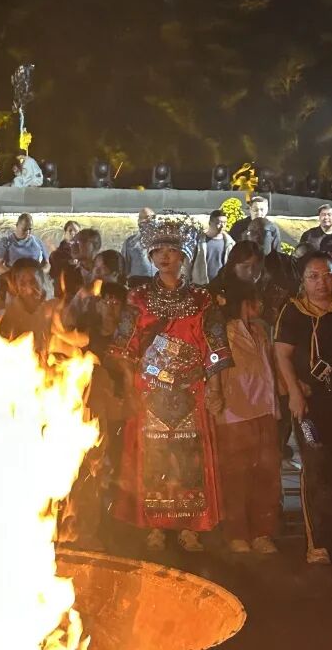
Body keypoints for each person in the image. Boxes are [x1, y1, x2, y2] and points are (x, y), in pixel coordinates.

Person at [110, 213, 230, 553]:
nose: (165, 257)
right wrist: (126, 388)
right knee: (153, 457)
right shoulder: (137, 299)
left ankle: (190, 526)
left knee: (189, 459)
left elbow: (216, 347)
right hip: (148, 392)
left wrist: (216, 390)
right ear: (150, 257)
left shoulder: (202, 300)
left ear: (184, 257)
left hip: (192, 390)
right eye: (158, 251)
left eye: (172, 251)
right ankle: (155, 526)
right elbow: (122, 348)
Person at [273, 252, 332, 564]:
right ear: (302, 281)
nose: (322, 283)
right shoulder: (294, 312)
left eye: (327, 275)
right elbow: (283, 355)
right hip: (310, 403)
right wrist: (294, 393)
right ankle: (317, 542)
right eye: (313, 277)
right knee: (316, 467)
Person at [211, 281, 280, 554]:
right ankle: (237, 532)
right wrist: (215, 397)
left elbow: (270, 365)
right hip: (234, 411)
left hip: (263, 408)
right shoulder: (223, 333)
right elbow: (214, 368)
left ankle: (263, 532)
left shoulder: (261, 330)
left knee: (266, 472)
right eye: (253, 302)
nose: (259, 307)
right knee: (236, 474)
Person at [191, 209, 235, 285]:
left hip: (221, 285)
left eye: (224, 223)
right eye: (218, 223)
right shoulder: (198, 241)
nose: (222, 226)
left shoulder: (230, 243)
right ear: (210, 223)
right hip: (201, 285)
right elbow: (188, 262)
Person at [120, 208, 157, 282]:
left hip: (159, 284)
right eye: (145, 218)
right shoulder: (130, 243)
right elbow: (124, 268)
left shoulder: (162, 241)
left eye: (152, 218)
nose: (148, 221)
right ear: (139, 221)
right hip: (137, 284)